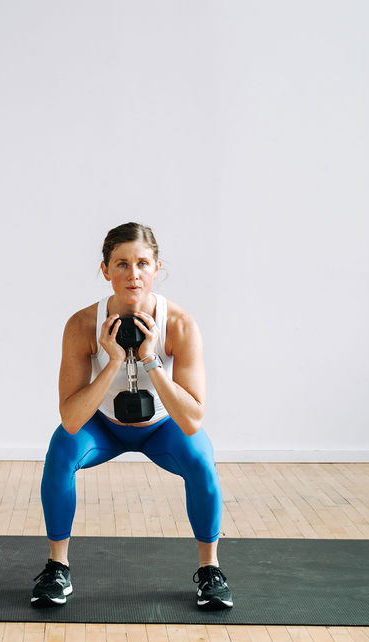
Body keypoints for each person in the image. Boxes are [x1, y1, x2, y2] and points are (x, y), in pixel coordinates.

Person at [33, 222, 233, 610]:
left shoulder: (179, 324)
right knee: (60, 452)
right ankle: (57, 567)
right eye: (121, 264)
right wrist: (110, 362)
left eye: (142, 263)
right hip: (102, 426)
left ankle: (210, 572)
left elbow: (191, 420)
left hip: (163, 428)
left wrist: (149, 359)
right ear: (105, 270)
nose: (133, 274)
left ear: (157, 268)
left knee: (201, 461)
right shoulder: (80, 325)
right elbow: (72, 420)